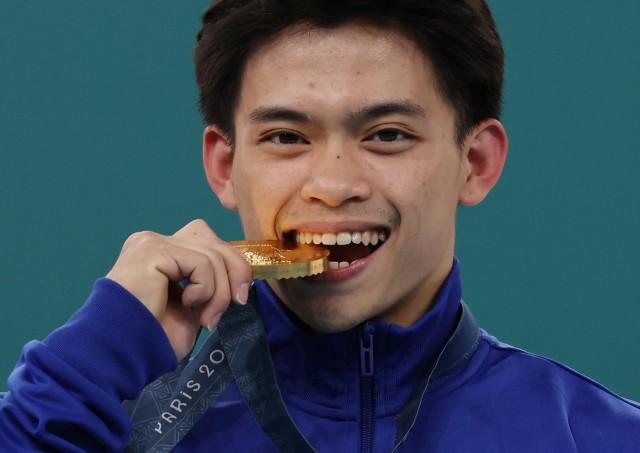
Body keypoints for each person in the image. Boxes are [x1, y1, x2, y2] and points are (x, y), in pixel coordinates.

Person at [1, 0, 639, 451]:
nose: (333, 184)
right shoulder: (102, 429)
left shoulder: (609, 439)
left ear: (474, 163)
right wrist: (88, 361)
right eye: (286, 137)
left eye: (387, 134)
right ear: (225, 167)